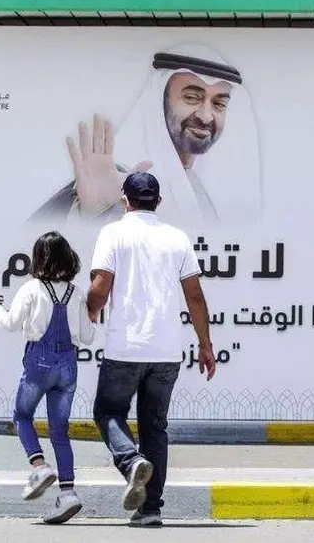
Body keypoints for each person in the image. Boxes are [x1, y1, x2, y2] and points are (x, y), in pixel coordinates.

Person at [85, 171, 217, 527]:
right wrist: (205, 345)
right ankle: (151, 508)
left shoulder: (113, 233)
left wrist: (89, 315)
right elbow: (195, 297)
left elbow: (100, 288)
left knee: (108, 412)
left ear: (124, 200)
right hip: (167, 352)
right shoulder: (177, 238)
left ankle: (130, 461)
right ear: (158, 201)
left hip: (125, 349)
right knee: (155, 427)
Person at [28, 44, 262, 229]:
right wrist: (90, 213)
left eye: (219, 103)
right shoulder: (118, 177)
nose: (206, 116)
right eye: (192, 98)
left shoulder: (203, 189)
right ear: (160, 102)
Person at [0, 231, 95, 525]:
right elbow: (87, 337)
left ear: (38, 257)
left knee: (22, 415)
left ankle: (39, 465)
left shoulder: (31, 289)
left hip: (39, 363)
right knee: (60, 431)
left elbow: (9, 323)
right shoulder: (77, 292)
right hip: (69, 364)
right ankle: (68, 494)